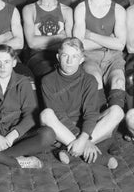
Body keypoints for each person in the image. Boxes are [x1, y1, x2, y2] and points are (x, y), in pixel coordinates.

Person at [40, 38, 120, 168]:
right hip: (61, 126)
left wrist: (83, 138)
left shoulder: (89, 80)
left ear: (82, 59)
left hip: (84, 126)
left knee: (117, 111)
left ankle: (67, 147)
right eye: (65, 56)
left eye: (74, 56)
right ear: (58, 57)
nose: (69, 61)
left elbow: (91, 113)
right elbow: (58, 114)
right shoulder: (47, 81)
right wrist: (83, 140)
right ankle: (96, 156)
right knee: (46, 114)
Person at [73, 0, 127, 112]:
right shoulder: (81, 8)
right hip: (89, 57)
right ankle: (100, 122)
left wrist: (90, 35)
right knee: (95, 80)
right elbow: (78, 45)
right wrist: (109, 41)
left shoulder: (118, 9)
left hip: (113, 57)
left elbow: (121, 45)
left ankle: (114, 122)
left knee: (119, 81)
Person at [22, 0, 73, 79]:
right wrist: (59, 37)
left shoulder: (67, 11)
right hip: (37, 57)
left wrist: (42, 42)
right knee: (50, 73)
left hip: (61, 56)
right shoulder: (29, 9)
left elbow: (68, 44)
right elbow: (32, 43)